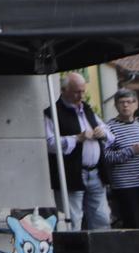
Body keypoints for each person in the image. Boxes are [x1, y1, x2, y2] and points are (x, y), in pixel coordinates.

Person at [44, 73, 110, 231]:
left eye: (83, 91)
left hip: (95, 173)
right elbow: (50, 143)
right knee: (72, 220)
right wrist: (76, 138)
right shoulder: (52, 112)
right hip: (71, 174)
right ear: (63, 90)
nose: (81, 95)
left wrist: (103, 132)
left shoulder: (87, 109)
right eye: (76, 92)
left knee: (102, 218)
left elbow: (109, 132)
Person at [101, 88, 139, 234]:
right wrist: (131, 151)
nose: (125, 105)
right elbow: (105, 156)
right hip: (126, 186)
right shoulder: (109, 128)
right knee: (133, 224)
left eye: (129, 102)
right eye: (121, 103)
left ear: (136, 104)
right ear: (116, 105)